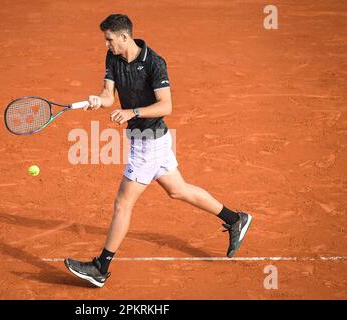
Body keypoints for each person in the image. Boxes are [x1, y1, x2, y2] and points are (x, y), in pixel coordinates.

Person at [64, 14, 252, 288]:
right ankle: (235, 219)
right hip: (151, 140)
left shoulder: (154, 62)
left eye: (109, 39)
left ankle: (100, 267)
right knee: (179, 190)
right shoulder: (113, 59)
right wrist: (98, 99)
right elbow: (108, 95)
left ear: (124, 37)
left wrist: (132, 112)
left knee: (122, 204)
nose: (106, 45)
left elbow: (166, 106)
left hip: (149, 142)